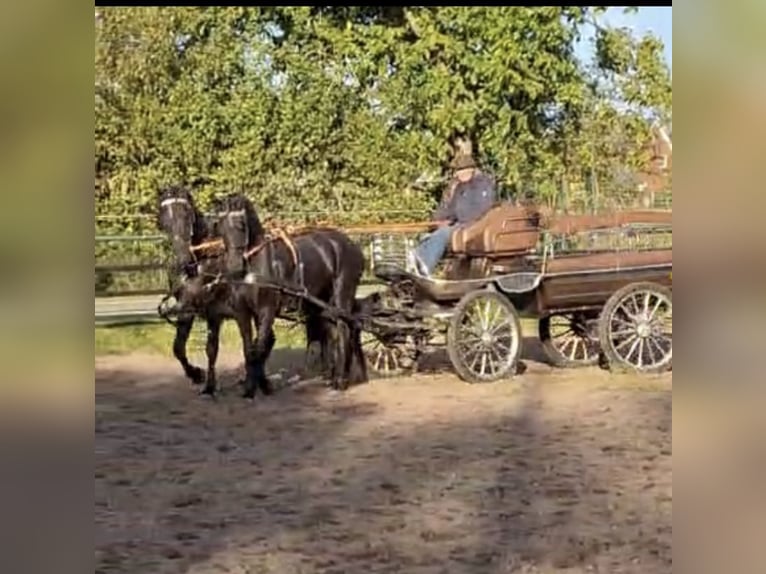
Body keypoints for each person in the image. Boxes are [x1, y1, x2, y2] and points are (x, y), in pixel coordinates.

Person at [409, 154, 496, 277]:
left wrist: (457, 222)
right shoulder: (460, 187)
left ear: (470, 169)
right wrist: (436, 221)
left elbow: (482, 209)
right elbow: (449, 209)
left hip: (476, 225)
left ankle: (425, 266)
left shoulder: (483, 185)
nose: (457, 174)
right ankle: (415, 262)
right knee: (427, 236)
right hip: (461, 224)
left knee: (443, 234)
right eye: (457, 171)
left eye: (460, 171)